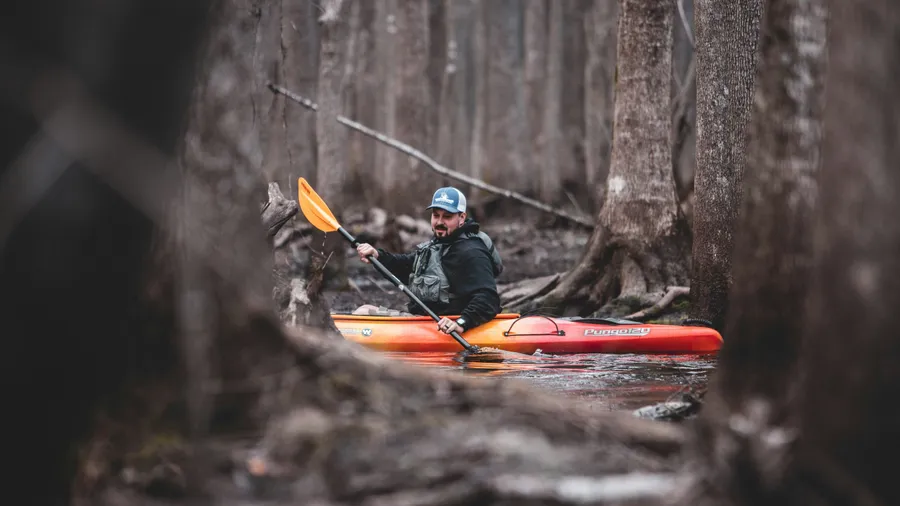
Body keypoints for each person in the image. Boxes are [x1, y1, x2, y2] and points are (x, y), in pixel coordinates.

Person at [354, 186, 503, 336]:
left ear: (462, 218)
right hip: (425, 322)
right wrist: (377, 256)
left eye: (447, 216)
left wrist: (461, 323)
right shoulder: (441, 243)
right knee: (364, 310)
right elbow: (407, 266)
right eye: (436, 215)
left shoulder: (471, 252)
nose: (439, 222)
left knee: (362, 313)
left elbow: (488, 298)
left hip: (449, 328)